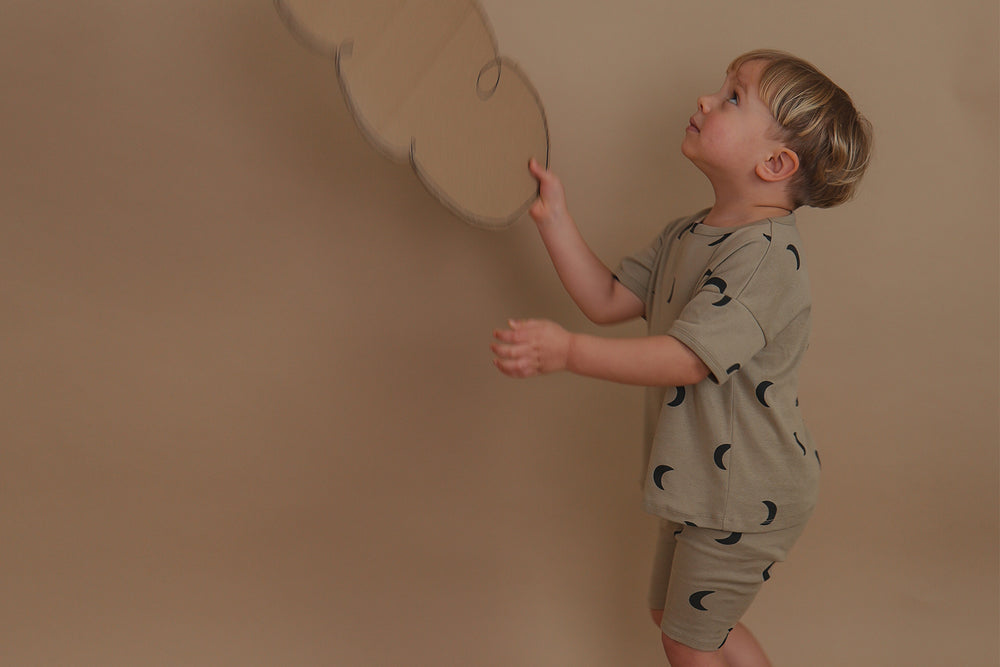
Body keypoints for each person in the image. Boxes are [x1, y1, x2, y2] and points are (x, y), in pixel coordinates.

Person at [490, 49, 873, 666]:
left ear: (775, 164)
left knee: (688, 640)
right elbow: (608, 298)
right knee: (676, 621)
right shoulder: (687, 234)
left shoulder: (765, 259)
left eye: (732, 98)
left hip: (743, 491)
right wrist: (555, 218)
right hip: (697, 482)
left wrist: (568, 352)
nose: (705, 100)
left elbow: (688, 359)